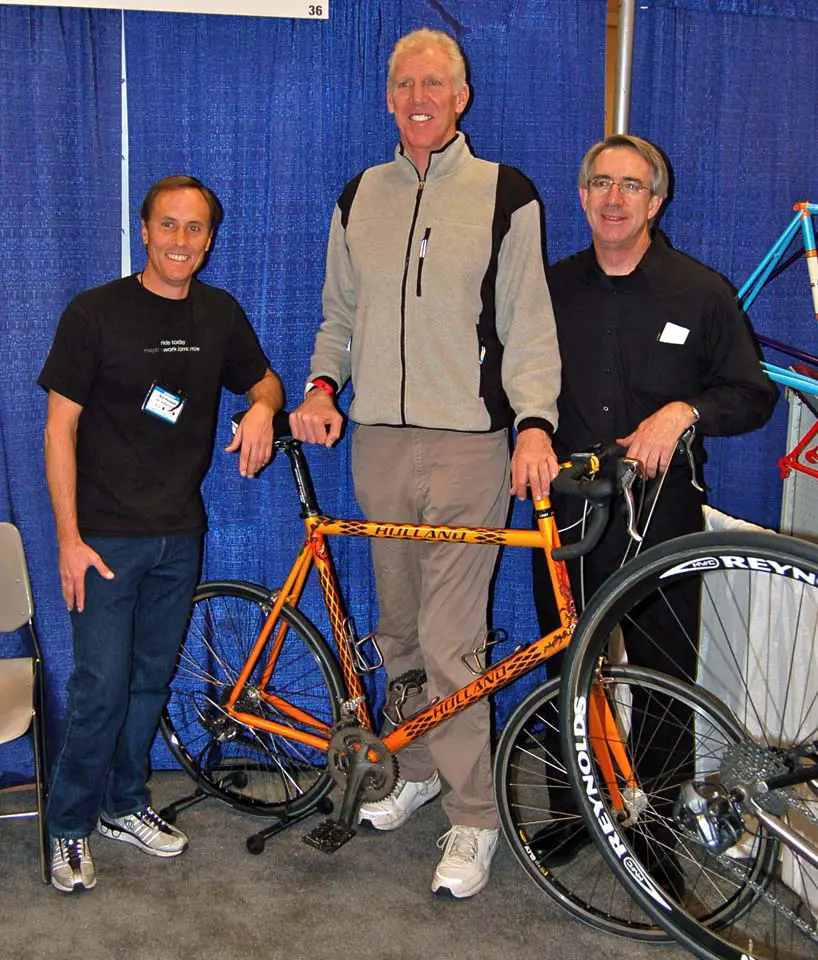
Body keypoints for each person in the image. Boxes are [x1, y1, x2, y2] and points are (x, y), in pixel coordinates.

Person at [290, 28, 560, 898]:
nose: (418, 96)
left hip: (470, 446)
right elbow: (338, 315)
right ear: (388, 97)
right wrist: (324, 387)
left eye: (434, 82)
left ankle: (475, 818)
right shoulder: (358, 194)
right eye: (403, 82)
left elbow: (528, 326)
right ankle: (411, 770)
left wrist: (532, 425)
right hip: (377, 441)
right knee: (398, 627)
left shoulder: (505, 194)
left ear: (462, 95)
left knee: (451, 642)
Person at [530, 134, 778, 883]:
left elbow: (752, 396)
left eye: (631, 186)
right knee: (566, 668)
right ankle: (573, 810)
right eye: (601, 183)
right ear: (582, 196)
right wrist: (528, 428)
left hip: (662, 515)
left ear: (656, 201)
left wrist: (686, 410)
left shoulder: (699, 291)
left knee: (666, 674)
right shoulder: (548, 288)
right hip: (569, 511)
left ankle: (655, 830)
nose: (614, 198)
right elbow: (515, 379)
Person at [38, 175, 284, 893]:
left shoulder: (220, 313)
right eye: (168, 225)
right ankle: (69, 824)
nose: (181, 241)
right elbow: (59, 430)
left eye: (195, 228)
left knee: (148, 682)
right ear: (144, 230)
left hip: (180, 533)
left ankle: (123, 803)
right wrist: (68, 538)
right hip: (104, 539)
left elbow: (265, 383)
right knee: (100, 689)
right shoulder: (94, 315)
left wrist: (264, 409)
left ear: (210, 239)